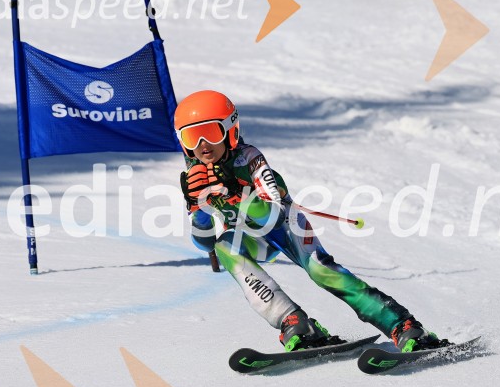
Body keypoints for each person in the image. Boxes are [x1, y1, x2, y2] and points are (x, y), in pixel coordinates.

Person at [176, 90, 446, 352]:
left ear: (230, 130)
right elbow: (204, 243)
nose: (202, 144)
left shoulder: (249, 159)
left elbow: (271, 215)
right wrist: (198, 206)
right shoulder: (193, 177)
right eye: (191, 136)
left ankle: (403, 325)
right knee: (225, 246)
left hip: (286, 228)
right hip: (252, 238)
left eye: (210, 132)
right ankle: (294, 322)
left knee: (321, 272)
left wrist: (236, 194)